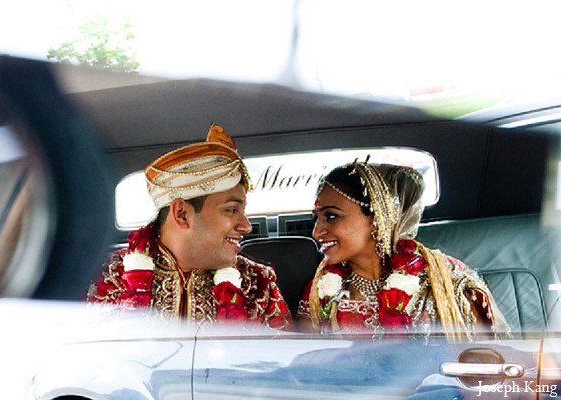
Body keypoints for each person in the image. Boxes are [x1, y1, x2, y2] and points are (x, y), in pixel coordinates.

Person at [88, 123, 292, 330]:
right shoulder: (107, 276)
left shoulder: (259, 284)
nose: (246, 226)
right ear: (182, 214)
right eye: (231, 210)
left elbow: (284, 360)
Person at [297, 159, 510, 340]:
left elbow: (482, 362)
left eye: (331, 216)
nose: (316, 233)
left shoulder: (443, 283)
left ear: (377, 219)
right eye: (316, 218)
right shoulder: (319, 290)